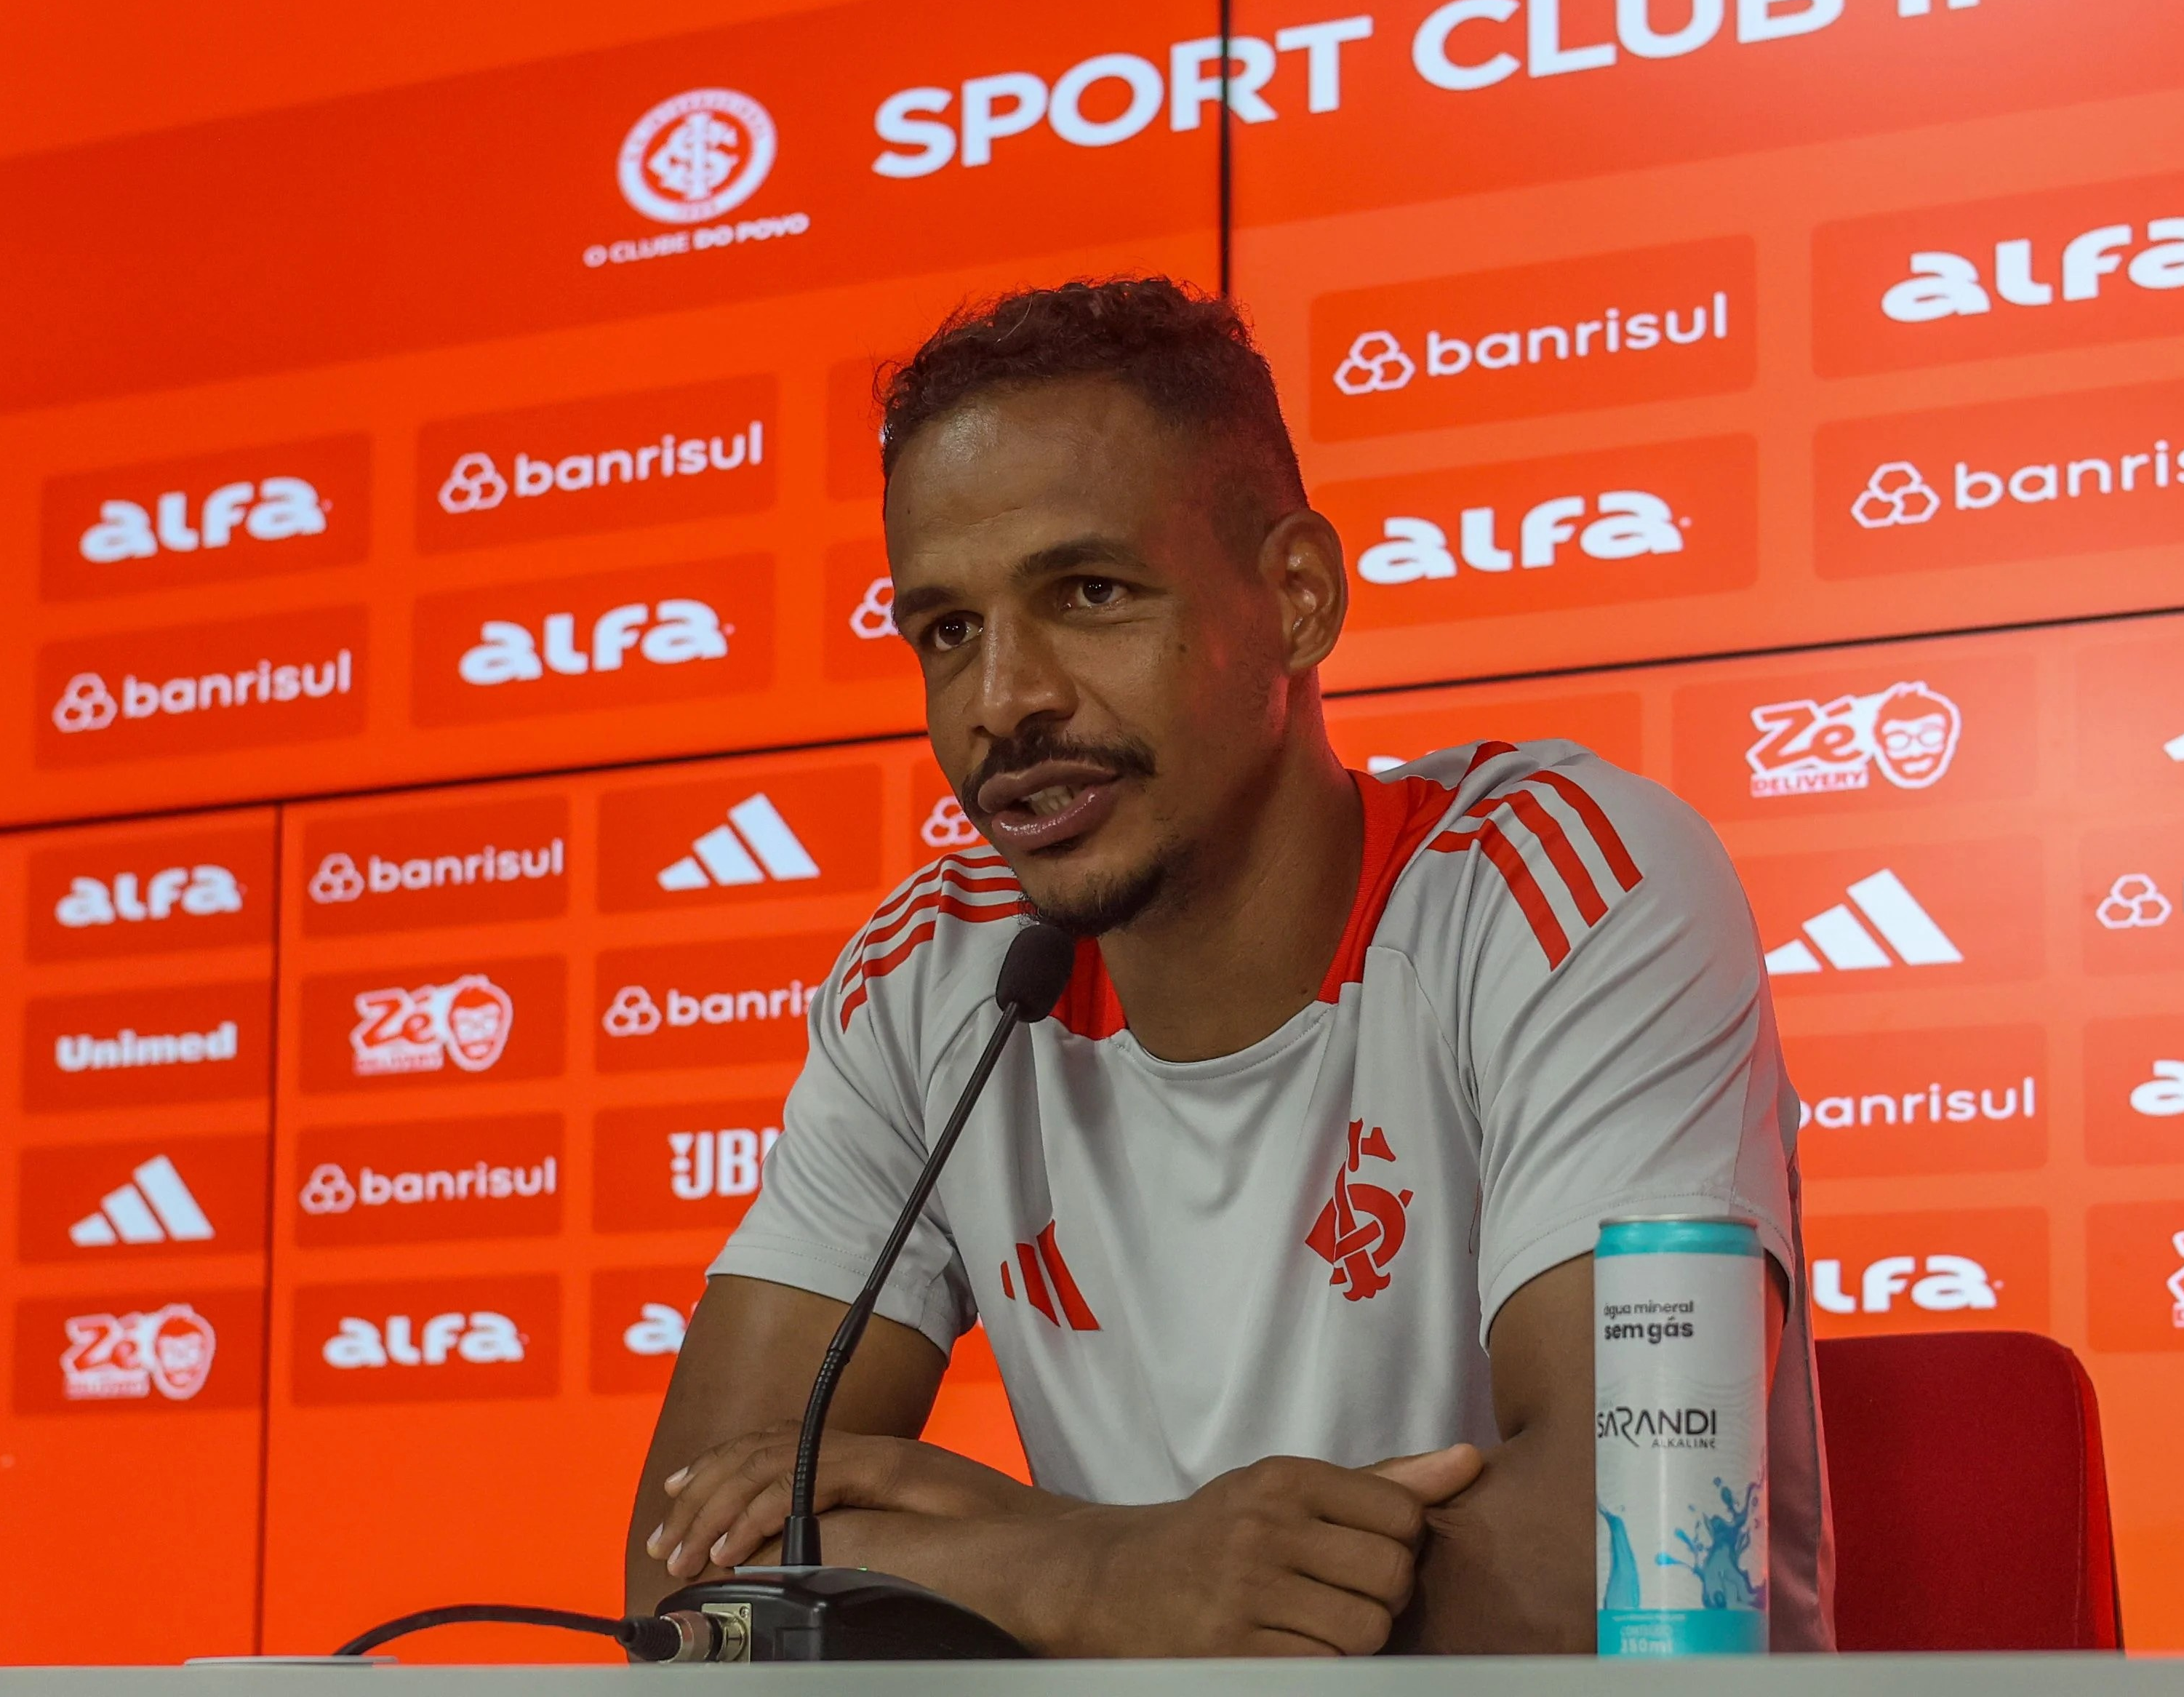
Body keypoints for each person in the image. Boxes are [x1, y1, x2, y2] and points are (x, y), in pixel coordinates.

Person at [627, 278, 1831, 1656]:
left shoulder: (1566, 881)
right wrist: (1099, 1572)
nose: (1003, 699)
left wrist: (1029, 1566)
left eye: (1089, 593)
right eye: (947, 630)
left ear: (1299, 598)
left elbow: (1616, 1573)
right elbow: (677, 1590)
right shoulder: (929, 977)